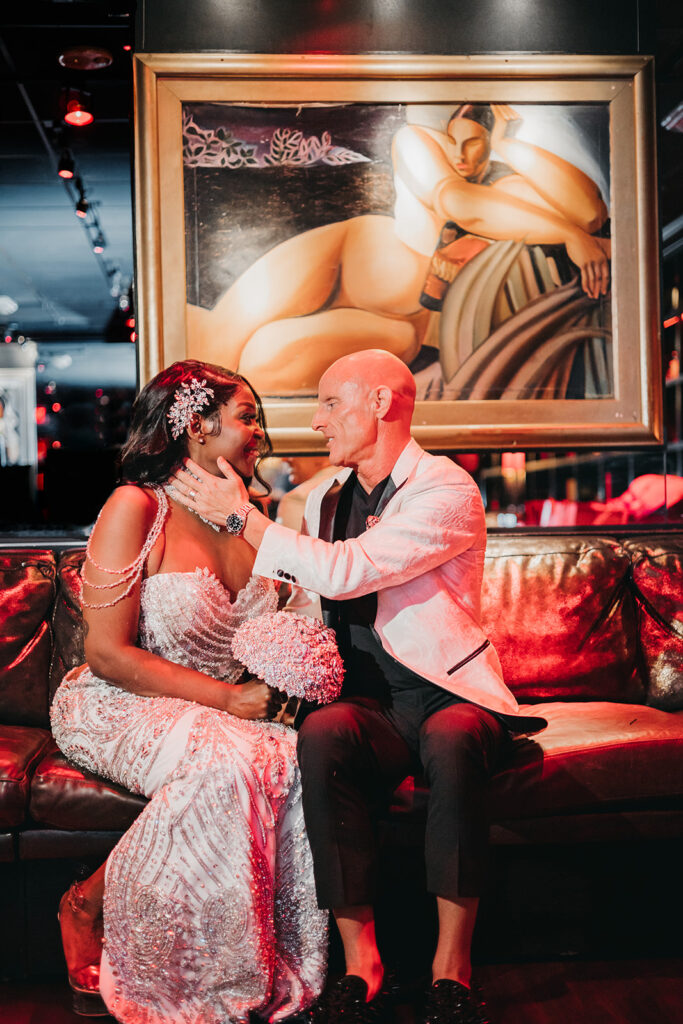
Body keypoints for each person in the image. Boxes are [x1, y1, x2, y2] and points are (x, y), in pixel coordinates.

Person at [170, 349, 546, 1024]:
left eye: (329, 403)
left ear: (379, 403)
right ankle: (360, 963)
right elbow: (304, 586)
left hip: (445, 691)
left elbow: (349, 571)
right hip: (366, 697)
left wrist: (245, 520)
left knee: (456, 740)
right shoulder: (321, 497)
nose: (316, 422)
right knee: (322, 734)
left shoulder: (444, 488)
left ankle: (450, 971)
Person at [51, 360, 327, 1024]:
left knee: (288, 758)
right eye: (248, 416)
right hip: (118, 701)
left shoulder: (250, 520)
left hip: (221, 706)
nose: (260, 431)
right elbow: (107, 654)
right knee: (227, 763)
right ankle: (88, 903)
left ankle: (243, 960)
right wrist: (230, 701)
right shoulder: (136, 506)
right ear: (196, 427)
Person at [190, 103, 610, 394]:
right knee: (218, 343)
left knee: (255, 367)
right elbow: (459, 204)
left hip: (403, 326)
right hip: (339, 258)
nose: (461, 154)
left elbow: (589, 210)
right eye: (454, 140)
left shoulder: (508, 192)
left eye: (473, 143)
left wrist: (502, 142)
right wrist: (572, 237)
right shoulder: (417, 144)